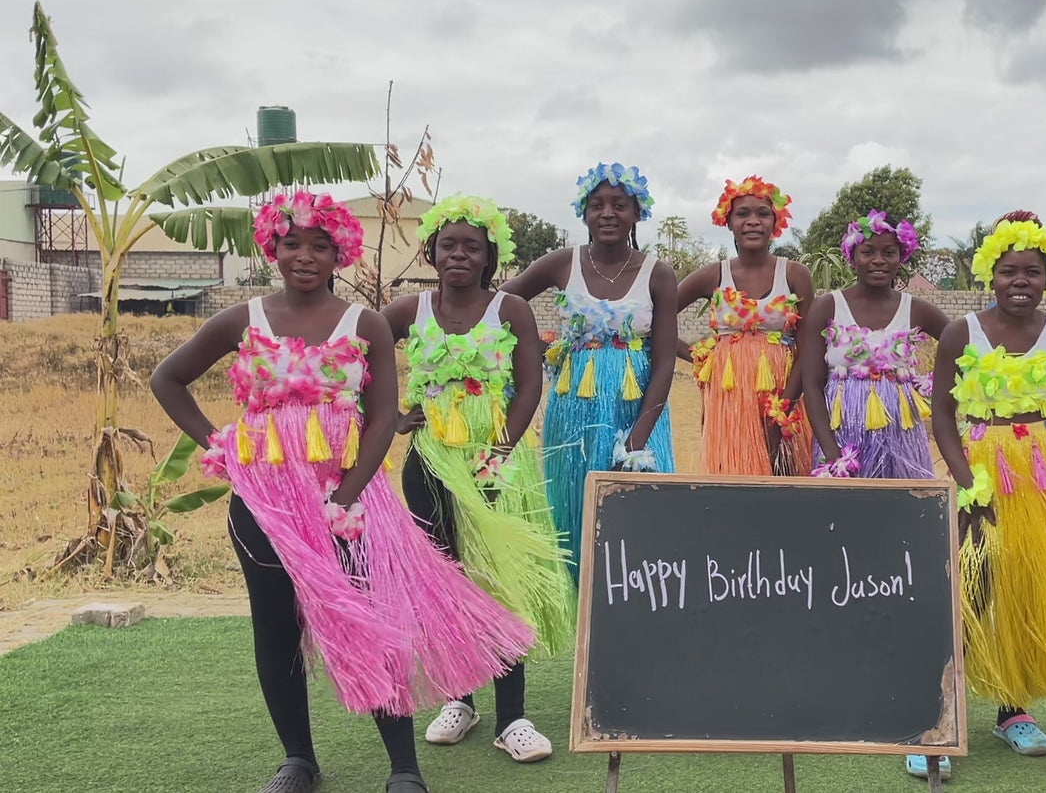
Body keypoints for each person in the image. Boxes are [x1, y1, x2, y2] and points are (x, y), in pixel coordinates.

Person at [151, 191, 534, 793]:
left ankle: (404, 769)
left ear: (339, 252)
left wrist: (346, 496)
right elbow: (167, 378)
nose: (305, 255)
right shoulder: (241, 319)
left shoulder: (367, 323)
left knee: (372, 622)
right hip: (265, 504)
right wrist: (219, 445)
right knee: (275, 626)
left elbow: (381, 419)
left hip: (350, 506)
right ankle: (298, 759)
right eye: (293, 243)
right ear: (272, 247)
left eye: (320, 245)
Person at [383, 195, 574, 763]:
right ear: (432, 252)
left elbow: (528, 386)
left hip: (492, 462)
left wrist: (500, 453)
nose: (459, 254)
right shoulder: (408, 310)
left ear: (491, 255)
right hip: (430, 461)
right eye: (449, 245)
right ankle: (458, 700)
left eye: (472, 246)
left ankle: (512, 716)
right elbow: (355, 354)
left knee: (498, 579)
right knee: (447, 581)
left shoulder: (509, 308)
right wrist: (391, 417)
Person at [927, 211, 1046, 776]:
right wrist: (967, 480)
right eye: (1009, 271)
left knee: (1026, 585)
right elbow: (941, 415)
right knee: (972, 585)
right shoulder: (963, 331)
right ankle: (937, 713)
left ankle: (1013, 710)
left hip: (1043, 474)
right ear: (991, 274)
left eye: (1033, 271)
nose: (1020, 281)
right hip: (982, 472)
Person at [502, 163, 677, 581]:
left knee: (638, 520)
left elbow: (666, 359)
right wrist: (535, 348)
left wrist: (637, 441)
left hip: (636, 411)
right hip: (573, 410)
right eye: (596, 204)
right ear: (583, 213)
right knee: (573, 510)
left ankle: (638, 608)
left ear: (637, 213)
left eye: (620, 204)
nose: (608, 213)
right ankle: (577, 611)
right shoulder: (562, 263)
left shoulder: (658, 273)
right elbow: (496, 306)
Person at [678, 176, 815, 475]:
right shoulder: (713, 275)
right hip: (729, 398)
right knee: (731, 474)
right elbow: (658, 319)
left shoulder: (794, 275)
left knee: (786, 477)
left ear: (775, 222)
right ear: (728, 222)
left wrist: (784, 407)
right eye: (742, 213)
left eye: (762, 213)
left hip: (782, 393)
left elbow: (810, 349)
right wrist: (702, 358)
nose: (753, 221)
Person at [801, 209, 947, 481]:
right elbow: (811, 383)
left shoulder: (917, 310)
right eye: (868, 252)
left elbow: (964, 350)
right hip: (842, 436)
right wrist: (832, 453)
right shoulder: (828, 307)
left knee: (902, 513)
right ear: (852, 258)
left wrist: (935, 390)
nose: (878, 260)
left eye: (889, 253)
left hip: (902, 437)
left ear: (901, 257)